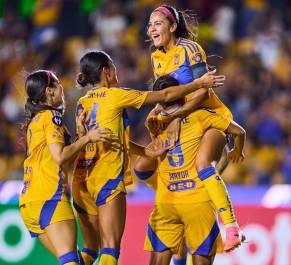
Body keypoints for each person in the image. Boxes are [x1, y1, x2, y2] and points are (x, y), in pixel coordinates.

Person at [71, 50, 225, 265]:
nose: (116, 70)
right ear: (106, 70)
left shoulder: (83, 102)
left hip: (81, 180)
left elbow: (106, 137)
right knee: (109, 248)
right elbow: (165, 96)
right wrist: (199, 83)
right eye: (113, 66)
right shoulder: (116, 95)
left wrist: (144, 152)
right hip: (105, 178)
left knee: (89, 250)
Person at [147, 4, 244, 251]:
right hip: (183, 120)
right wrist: (159, 110)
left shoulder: (190, 50)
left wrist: (175, 116)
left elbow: (203, 92)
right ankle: (181, 251)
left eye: (157, 23)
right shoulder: (155, 57)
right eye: (149, 24)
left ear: (172, 26)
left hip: (208, 115)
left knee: (202, 165)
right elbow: (167, 92)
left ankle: (231, 229)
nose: (152, 28)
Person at [133, 75, 246, 265]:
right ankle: (231, 226)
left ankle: (179, 258)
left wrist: (156, 109)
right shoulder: (201, 115)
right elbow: (239, 131)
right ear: (184, 94)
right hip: (197, 201)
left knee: (141, 168)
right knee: (207, 168)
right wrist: (237, 150)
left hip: (166, 202)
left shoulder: (154, 122)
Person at [19, 70, 114, 265]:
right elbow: (60, 157)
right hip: (50, 197)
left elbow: (59, 156)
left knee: (73, 261)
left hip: (29, 202)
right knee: (71, 261)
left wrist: (80, 136)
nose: (62, 88)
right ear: (49, 91)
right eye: (58, 84)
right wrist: (88, 138)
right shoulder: (51, 116)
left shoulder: (34, 120)